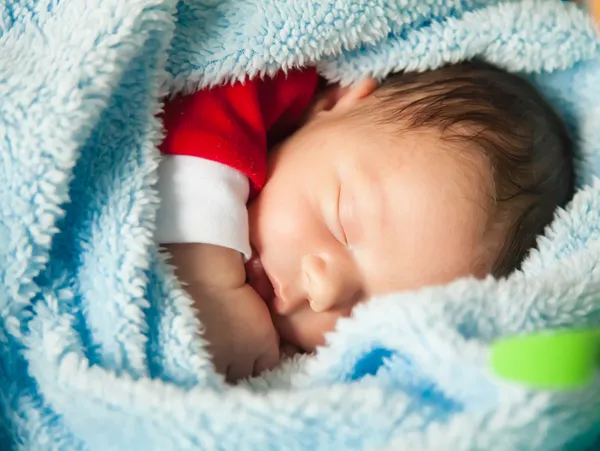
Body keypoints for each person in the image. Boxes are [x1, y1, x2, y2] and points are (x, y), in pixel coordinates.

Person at [156, 61, 574, 382]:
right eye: (341, 222)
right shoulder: (264, 80)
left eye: (361, 311)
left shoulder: (289, 366)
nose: (324, 291)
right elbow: (198, 109)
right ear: (337, 102)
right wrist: (208, 275)